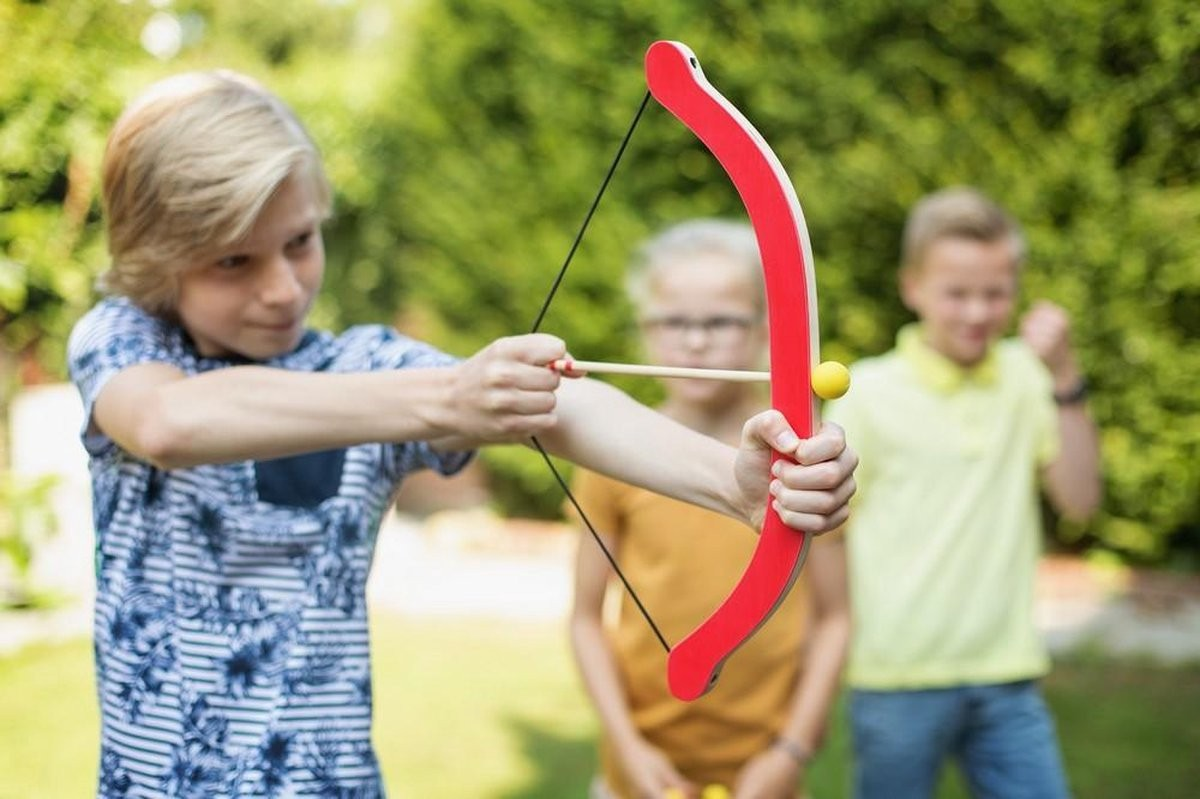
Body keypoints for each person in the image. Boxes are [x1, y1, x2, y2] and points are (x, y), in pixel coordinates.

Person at [67, 71, 858, 798]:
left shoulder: (365, 361)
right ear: (160, 259)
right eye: (235, 261)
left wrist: (731, 482)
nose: (282, 288)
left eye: (300, 241)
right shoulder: (124, 343)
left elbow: (567, 406)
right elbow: (169, 423)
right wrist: (449, 395)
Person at [824, 187, 1102, 799]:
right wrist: (832, 638)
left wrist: (1065, 376)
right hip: (895, 677)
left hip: (1008, 675)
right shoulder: (864, 392)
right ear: (912, 287)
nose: (977, 312)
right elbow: (829, 536)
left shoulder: (1032, 378)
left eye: (995, 293)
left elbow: (1080, 500)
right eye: (957, 293)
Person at [568, 220, 851, 799]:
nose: (695, 343)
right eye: (673, 322)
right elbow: (583, 619)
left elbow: (835, 619)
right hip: (641, 769)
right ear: (644, 331)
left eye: (720, 321)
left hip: (763, 769)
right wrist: (628, 749)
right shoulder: (608, 456)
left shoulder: (805, 460)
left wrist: (790, 754)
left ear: (766, 331)